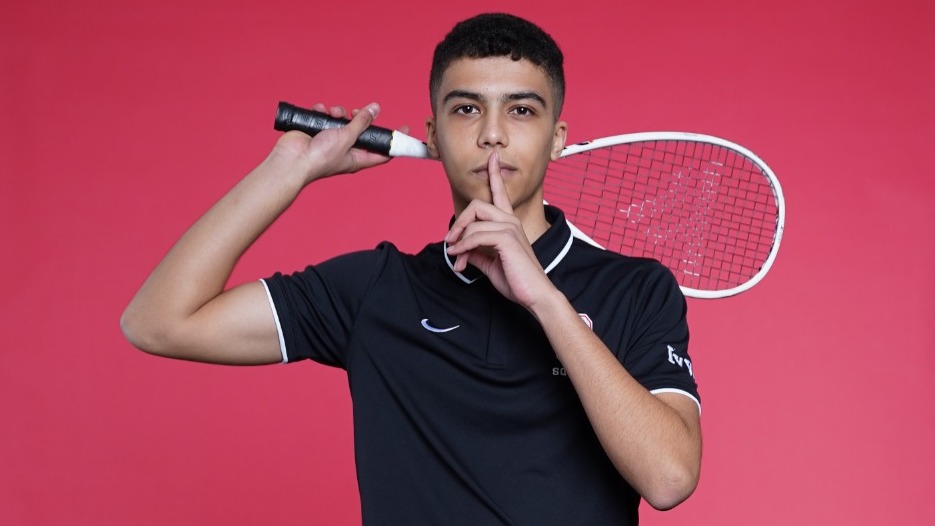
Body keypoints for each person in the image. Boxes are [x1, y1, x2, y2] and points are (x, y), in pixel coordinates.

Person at [121, 12, 701, 525]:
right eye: (466, 109)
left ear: (557, 138)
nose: (492, 134)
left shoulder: (637, 290)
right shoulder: (375, 290)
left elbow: (669, 479)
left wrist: (544, 300)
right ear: (433, 135)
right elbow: (158, 323)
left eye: (521, 110)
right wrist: (288, 170)